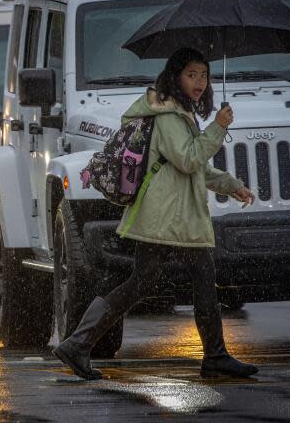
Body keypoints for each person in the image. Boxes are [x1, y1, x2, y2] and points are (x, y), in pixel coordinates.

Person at [53, 47, 258, 380]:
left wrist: (232, 184)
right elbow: (188, 159)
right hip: (170, 216)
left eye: (204, 75)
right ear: (175, 76)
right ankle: (215, 356)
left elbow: (194, 168)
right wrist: (218, 128)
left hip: (169, 215)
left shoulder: (179, 112)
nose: (200, 82)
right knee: (194, 277)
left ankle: (78, 344)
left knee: (144, 282)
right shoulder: (168, 116)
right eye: (191, 74)